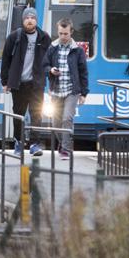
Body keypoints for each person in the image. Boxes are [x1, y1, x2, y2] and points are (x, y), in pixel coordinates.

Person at [0, 7, 51, 156]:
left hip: (36, 84)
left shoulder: (44, 38)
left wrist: (50, 76)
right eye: (27, 18)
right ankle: (19, 143)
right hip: (18, 84)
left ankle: (35, 144)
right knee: (19, 114)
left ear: (36, 20)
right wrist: (5, 81)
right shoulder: (14, 37)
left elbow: (49, 59)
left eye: (33, 18)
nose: (30, 20)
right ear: (23, 20)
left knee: (37, 114)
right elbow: (5, 60)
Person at [42, 18, 89, 160]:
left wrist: (84, 93)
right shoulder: (52, 48)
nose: (63, 36)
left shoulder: (78, 50)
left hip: (71, 91)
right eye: (60, 33)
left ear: (71, 32)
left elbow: (83, 72)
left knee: (67, 118)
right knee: (56, 123)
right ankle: (63, 144)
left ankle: (66, 149)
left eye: (66, 33)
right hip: (56, 91)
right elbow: (44, 66)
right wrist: (51, 70)